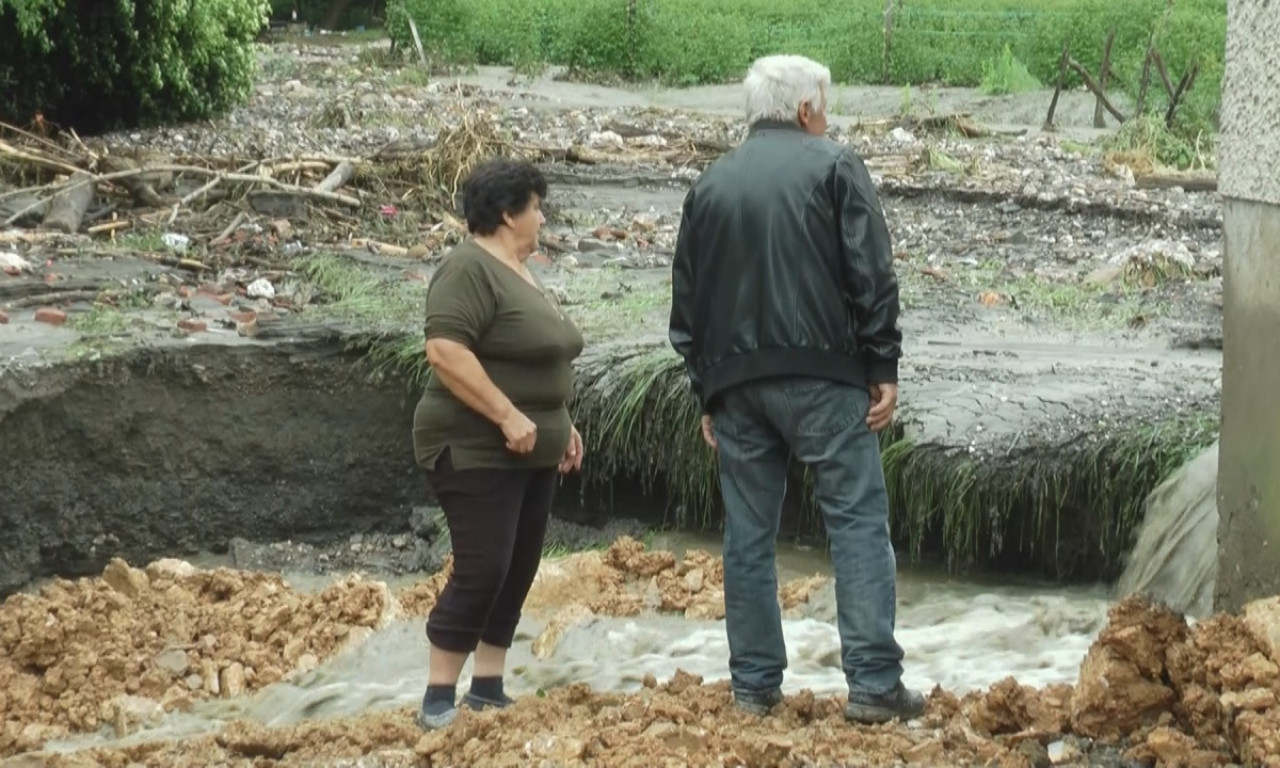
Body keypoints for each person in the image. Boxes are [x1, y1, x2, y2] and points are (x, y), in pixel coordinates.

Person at [668, 54, 924, 725]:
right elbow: (873, 274)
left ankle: (753, 685)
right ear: (807, 109)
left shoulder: (709, 184)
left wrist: (707, 392)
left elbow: (686, 306)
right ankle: (872, 684)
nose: (827, 118)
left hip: (736, 388)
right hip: (824, 376)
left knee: (747, 534)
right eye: (825, 107)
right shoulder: (835, 165)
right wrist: (882, 367)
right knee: (857, 523)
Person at [411, 157, 586, 730]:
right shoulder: (468, 269)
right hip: (474, 447)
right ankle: (439, 695)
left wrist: (562, 424)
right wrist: (508, 416)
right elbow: (445, 351)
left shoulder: (520, 269)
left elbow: (539, 358)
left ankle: (486, 685)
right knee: (484, 566)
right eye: (536, 206)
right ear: (510, 213)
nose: (542, 216)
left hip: (532, 448)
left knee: (519, 565)